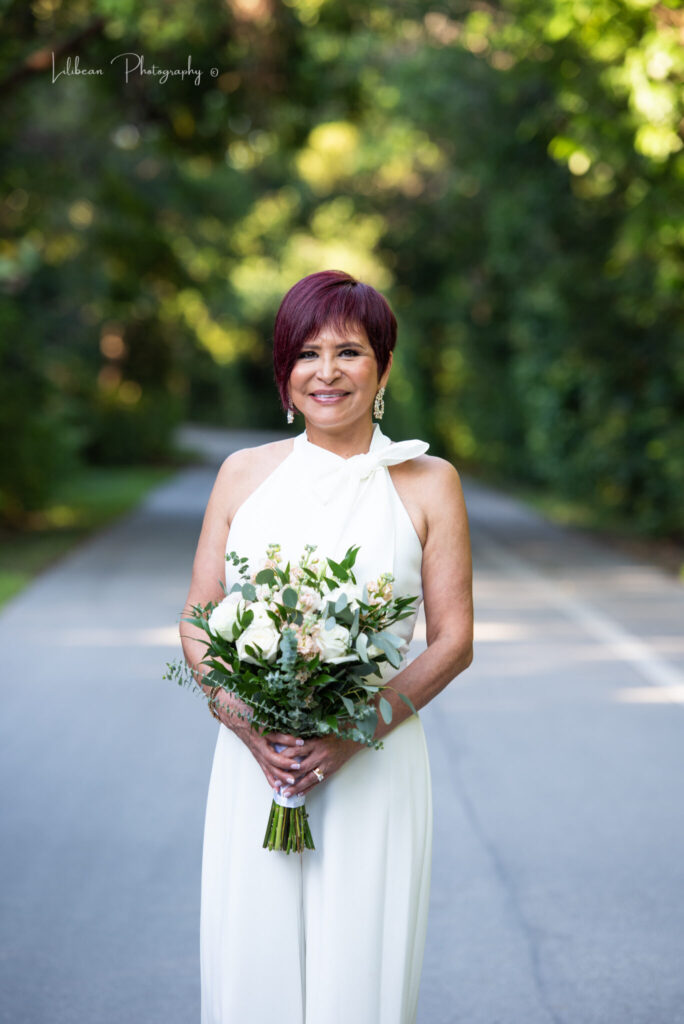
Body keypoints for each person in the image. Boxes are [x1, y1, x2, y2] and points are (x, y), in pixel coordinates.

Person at [180, 269, 473, 1024]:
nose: (328, 371)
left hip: (374, 758)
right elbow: (197, 620)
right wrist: (246, 723)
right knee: (256, 967)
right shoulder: (241, 475)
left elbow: (454, 641)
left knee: (358, 973)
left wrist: (351, 733)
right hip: (259, 765)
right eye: (307, 353)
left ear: (382, 368)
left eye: (350, 351)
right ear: (285, 374)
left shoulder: (429, 482)